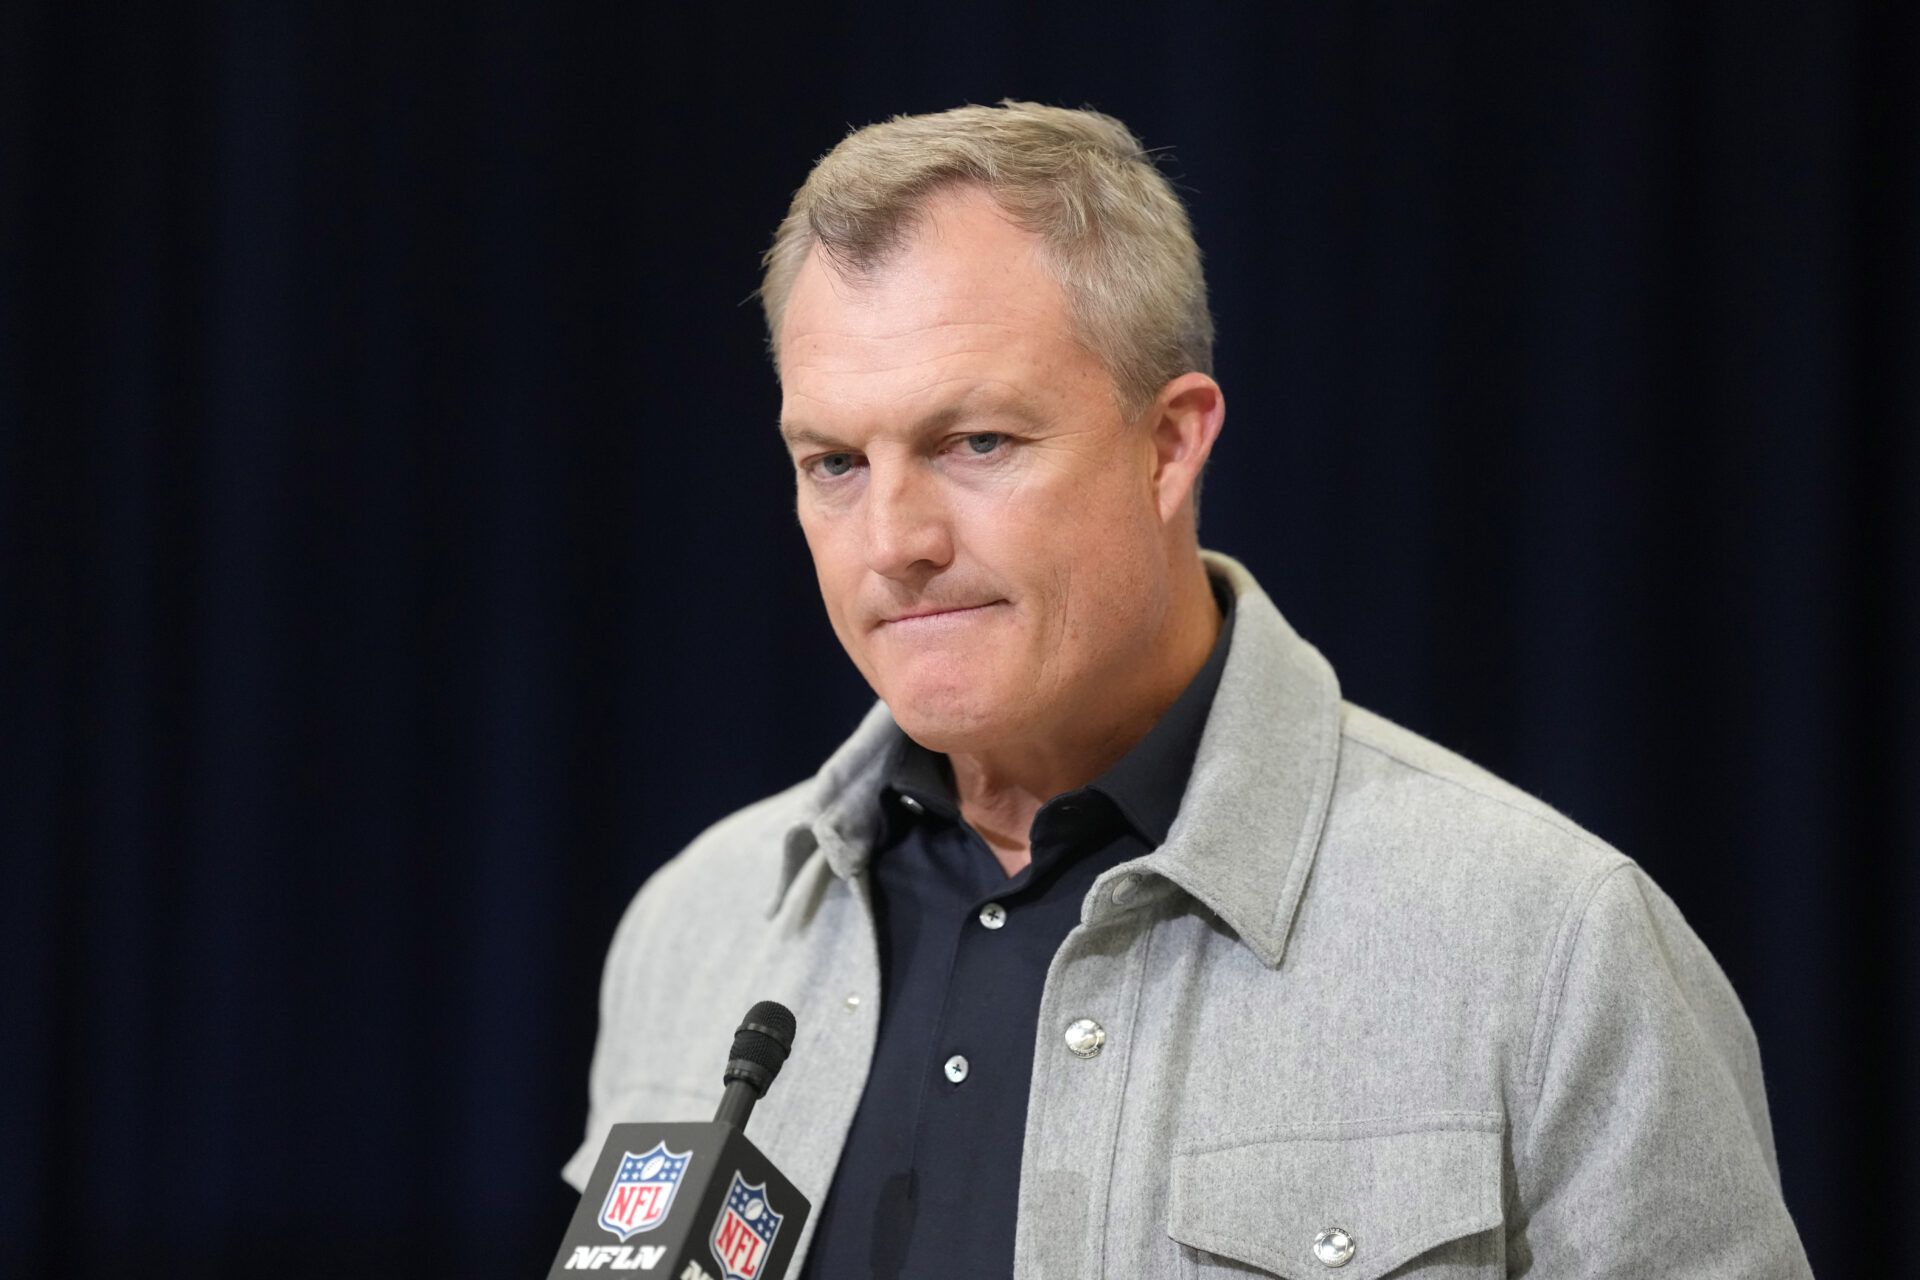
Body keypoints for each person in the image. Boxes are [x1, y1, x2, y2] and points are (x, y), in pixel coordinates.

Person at [565, 101, 1812, 1279]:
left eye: (976, 442)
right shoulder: (697, 928)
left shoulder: (1549, 946)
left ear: (1170, 443)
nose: (893, 538)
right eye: (834, 461)